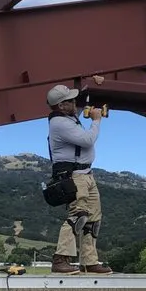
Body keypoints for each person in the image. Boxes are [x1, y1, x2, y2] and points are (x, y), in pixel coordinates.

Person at [46, 78, 113, 275]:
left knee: (93, 220)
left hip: (85, 175)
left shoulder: (67, 120)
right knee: (78, 216)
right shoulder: (59, 123)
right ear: (61, 105)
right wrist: (96, 120)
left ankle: (89, 262)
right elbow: (87, 140)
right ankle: (60, 259)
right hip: (75, 176)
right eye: (72, 101)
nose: (76, 104)